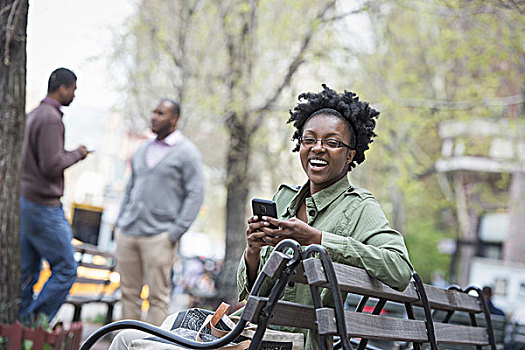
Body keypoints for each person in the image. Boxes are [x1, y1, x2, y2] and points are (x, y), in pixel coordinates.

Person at [237, 84, 413, 349]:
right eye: (309, 140)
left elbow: (400, 269)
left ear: (350, 154)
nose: (318, 148)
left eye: (332, 143)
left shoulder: (360, 207)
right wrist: (252, 251)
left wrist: (317, 239)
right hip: (257, 336)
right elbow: (251, 296)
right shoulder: (283, 198)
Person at [114, 99, 205, 326]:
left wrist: (174, 233)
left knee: (158, 298)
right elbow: (130, 187)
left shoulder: (187, 153)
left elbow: (196, 196)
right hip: (129, 232)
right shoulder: (142, 149)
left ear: (174, 119)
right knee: (128, 295)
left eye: (161, 113)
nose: (154, 117)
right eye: (153, 112)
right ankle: (126, 343)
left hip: (160, 237)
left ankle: (149, 344)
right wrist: (120, 221)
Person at [19, 67, 90, 322]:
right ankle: (34, 324)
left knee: (28, 273)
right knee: (67, 270)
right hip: (43, 206)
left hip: (26, 203)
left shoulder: (32, 115)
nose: (74, 94)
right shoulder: (50, 119)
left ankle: (18, 329)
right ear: (63, 88)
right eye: (73, 89)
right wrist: (78, 154)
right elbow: (51, 165)